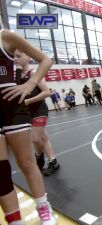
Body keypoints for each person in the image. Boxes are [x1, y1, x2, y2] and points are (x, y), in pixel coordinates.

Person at [0, 27, 57, 224]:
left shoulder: (5, 36)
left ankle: (44, 207)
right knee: (1, 169)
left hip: (12, 106)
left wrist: (31, 83)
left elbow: (46, 60)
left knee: (26, 161)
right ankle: (15, 220)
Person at [15, 49, 60, 176]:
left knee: (35, 139)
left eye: (19, 56)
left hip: (39, 110)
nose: (15, 59)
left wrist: (28, 101)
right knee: (43, 138)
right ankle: (53, 161)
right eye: (14, 56)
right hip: (27, 112)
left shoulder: (34, 73)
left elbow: (47, 92)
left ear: (29, 58)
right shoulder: (17, 75)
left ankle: (39, 158)